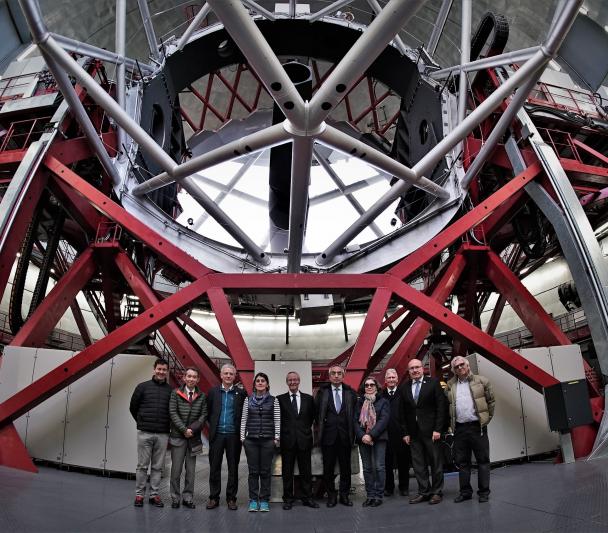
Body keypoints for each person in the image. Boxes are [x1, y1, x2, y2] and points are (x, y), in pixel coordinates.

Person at [445, 356, 495, 503]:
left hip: (477, 427)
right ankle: (465, 492)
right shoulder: (450, 385)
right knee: (462, 462)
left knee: (483, 460)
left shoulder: (482, 381)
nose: (460, 368)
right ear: (453, 370)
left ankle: (484, 492)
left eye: (462, 365)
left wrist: (486, 419)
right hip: (460, 428)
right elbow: (447, 406)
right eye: (456, 366)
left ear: (468, 365)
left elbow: (491, 401)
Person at [399, 358, 447, 505]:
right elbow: (402, 413)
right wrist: (405, 432)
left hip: (432, 432)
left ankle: (437, 492)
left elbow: (441, 407)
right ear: (409, 372)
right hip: (414, 434)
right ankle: (424, 492)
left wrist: (438, 429)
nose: (415, 370)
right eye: (412, 368)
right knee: (418, 465)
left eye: (417, 367)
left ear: (422, 368)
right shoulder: (404, 387)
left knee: (436, 463)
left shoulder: (433, 383)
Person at [129, 358, 172, 508]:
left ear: (167, 372)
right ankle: (139, 495)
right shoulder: (142, 387)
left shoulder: (171, 391)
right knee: (142, 466)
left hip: (162, 434)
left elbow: (172, 412)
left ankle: (154, 495)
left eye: (164, 370)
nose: (161, 372)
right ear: (154, 369)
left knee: (157, 467)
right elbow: (133, 407)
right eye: (159, 369)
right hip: (145, 433)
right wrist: (142, 421)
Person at [315, 365, 357, 507]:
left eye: (339, 373)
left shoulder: (350, 393)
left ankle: (344, 496)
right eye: (334, 373)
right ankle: (331, 496)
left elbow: (355, 415)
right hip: (328, 437)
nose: (337, 375)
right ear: (329, 376)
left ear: (343, 375)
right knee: (328, 468)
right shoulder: (322, 392)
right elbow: (317, 415)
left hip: (345, 436)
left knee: (346, 468)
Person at [206, 363, 246, 510]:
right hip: (217, 436)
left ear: (235, 376)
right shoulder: (213, 392)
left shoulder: (241, 394)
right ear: (221, 375)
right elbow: (208, 413)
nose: (228, 376)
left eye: (231, 374)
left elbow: (244, 415)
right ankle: (213, 498)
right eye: (226, 373)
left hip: (233, 436)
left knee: (233, 468)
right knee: (214, 467)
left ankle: (231, 498)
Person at [277, 371, 319, 510]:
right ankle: (288, 499)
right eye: (290, 380)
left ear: (299, 381)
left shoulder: (308, 399)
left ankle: (307, 498)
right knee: (287, 472)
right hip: (287, 441)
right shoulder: (280, 399)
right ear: (287, 382)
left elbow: (314, 418)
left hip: (304, 440)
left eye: (295, 380)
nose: (293, 382)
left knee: (306, 471)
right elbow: (277, 419)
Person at [240, 372, 280, 512]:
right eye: (258, 381)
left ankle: (263, 500)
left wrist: (276, 438)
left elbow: (277, 420)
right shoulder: (248, 400)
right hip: (251, 441)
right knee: (253, 472)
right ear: (254, 384)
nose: (260, 382)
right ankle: (252, 500)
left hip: (268, 441)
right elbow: (244, 419)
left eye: (263, 380)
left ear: (267, 384)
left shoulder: (274, 400)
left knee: (265, 471)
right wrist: (242, 438)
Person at [168, 366, 207, 509]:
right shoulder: (175, 393)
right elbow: (173, 413)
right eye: (188, 376)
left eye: (194, 377)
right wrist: (184, 429)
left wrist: (192, 429)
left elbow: (203, 416)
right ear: (184, 378)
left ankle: (188, 497)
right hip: (178, 437)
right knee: (176, 470)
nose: (191, 379)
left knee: (191, 471)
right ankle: (175, 498)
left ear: (198, 379)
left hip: (193, 439)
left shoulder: (202, 396)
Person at [355, 377, 390, 507]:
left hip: (379, 438)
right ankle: (370, 495)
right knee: (367, 468)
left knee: (379, 467)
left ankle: (378, 496)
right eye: (366, 385)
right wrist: (362, 435)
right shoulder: (359, 402)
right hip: (363, 439)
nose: (369, 387)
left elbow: (384, 420)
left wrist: (371, 435)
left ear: (376, 387)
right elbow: (355, 421)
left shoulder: (383, 402)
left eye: (372, 385)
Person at [381, 368, 410, 497]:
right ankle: (389, 488)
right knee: (387, 463)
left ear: (397, 379)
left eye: (393, 377)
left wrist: (407, 433)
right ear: (385, 380)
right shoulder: (381, 395)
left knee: (403, 462)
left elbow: (408, 414)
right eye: (389, 378)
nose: (391, 380)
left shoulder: (403, 393)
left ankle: (404, 487)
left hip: (401, 434)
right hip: (386, 434)